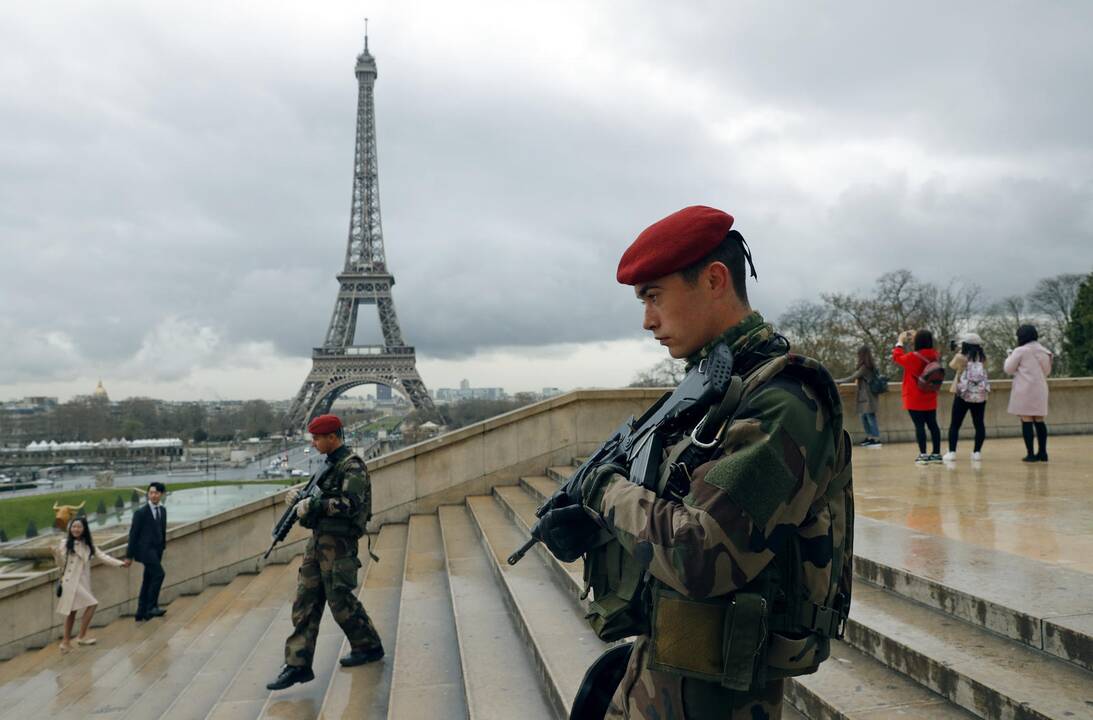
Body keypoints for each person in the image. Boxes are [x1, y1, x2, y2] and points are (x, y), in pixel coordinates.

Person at [539, 206, 852, 720]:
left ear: (713, 280)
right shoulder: (713, 391)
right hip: (669, 665)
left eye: (654, 296)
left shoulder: (782, 403)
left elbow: (704, 553)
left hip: (717, 694)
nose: (647, 321)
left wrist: (602, 491)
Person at [267, 414, 384, 691]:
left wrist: (315, 505)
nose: (314, 442)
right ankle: (297, 665)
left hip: (339, 544)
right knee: (304, 601)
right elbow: (320, 497)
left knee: (339, 600)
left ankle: (368, 645)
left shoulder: (352, 466)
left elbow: (350, 504)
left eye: (318, 438)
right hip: (319, 542)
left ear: (333, 436)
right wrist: (302, 499)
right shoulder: (329, 464)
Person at [54, 517, 131, 652]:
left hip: (82, 581)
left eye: (79, 527)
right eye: (73, 526)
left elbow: (103, 557)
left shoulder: (88, 545)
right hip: (70, 582)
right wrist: (56, 555)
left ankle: (66, 642)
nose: (76, 529)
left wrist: (120, 563)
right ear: (70, 529)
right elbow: (61, 565)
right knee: (92, 604)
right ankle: (80, 636)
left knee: (72, 612)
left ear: (84, 529)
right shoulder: (65, 543)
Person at [1004, 324, 1053, 462]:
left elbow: (1009, 368)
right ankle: (1043, 452)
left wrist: (1009, 356)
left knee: (1026, 420)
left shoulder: (1020, 351)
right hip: (1040, 388)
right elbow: (1047, 371)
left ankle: (1030, 454)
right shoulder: (1044, 351)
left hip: (1024, 388)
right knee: (1039, 420)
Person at [893, 329, 942, 464]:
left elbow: (897, 357)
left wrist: (900, 341)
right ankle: (936, 453)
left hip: (914, 396)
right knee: (933, 425)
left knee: (919, 426)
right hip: (930, 395)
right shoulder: (935, 355)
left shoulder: (912, 357)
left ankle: (923, 454)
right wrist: (919, 335)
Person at [944, 333, 990, 462]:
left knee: (955, 424)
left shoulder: (960, 357)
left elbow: (952, 365)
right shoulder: (983, 358)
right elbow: (986, 368)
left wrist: (957, 351)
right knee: (979, 424)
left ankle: (952, 452)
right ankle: (976, 453)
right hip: (979, 395)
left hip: (962, 394)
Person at [126, 481, 167, 622]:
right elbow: (133, 535)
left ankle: (141, 612)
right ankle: (151, 607)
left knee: (148, 579)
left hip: (157, 551)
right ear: (148, 494)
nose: (153, 495)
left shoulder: (162, 510)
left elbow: (162, 531)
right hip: (145, 551)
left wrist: (162, 547)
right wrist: (129, 555)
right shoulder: (140, 513)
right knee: (159, 574)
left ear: (161, 494)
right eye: (151, 493)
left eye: (156, 493)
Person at [834, 345, 883, 447]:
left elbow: (852, 377)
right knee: (865, 417)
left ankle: (876, 439)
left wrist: (836, 381)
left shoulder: (865, 368)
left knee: (870, 417)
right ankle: (870, 438)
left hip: (868, 397)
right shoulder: (869, 366)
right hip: (865, 397)